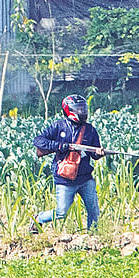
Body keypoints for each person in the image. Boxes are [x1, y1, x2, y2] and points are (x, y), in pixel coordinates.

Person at [30, 95, 105, 234]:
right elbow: (38, 141)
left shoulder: (90, 130)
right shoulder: (58, 126)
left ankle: (93, 236)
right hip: (64, 178)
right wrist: (60, 146)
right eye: (79, 109)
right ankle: (38, 219)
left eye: (83, 108)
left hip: (85, 177)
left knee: (93, 210)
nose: (82, 112)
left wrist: (99, 153)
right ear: (69, 110)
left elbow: (94, 154)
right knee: (61, 212)